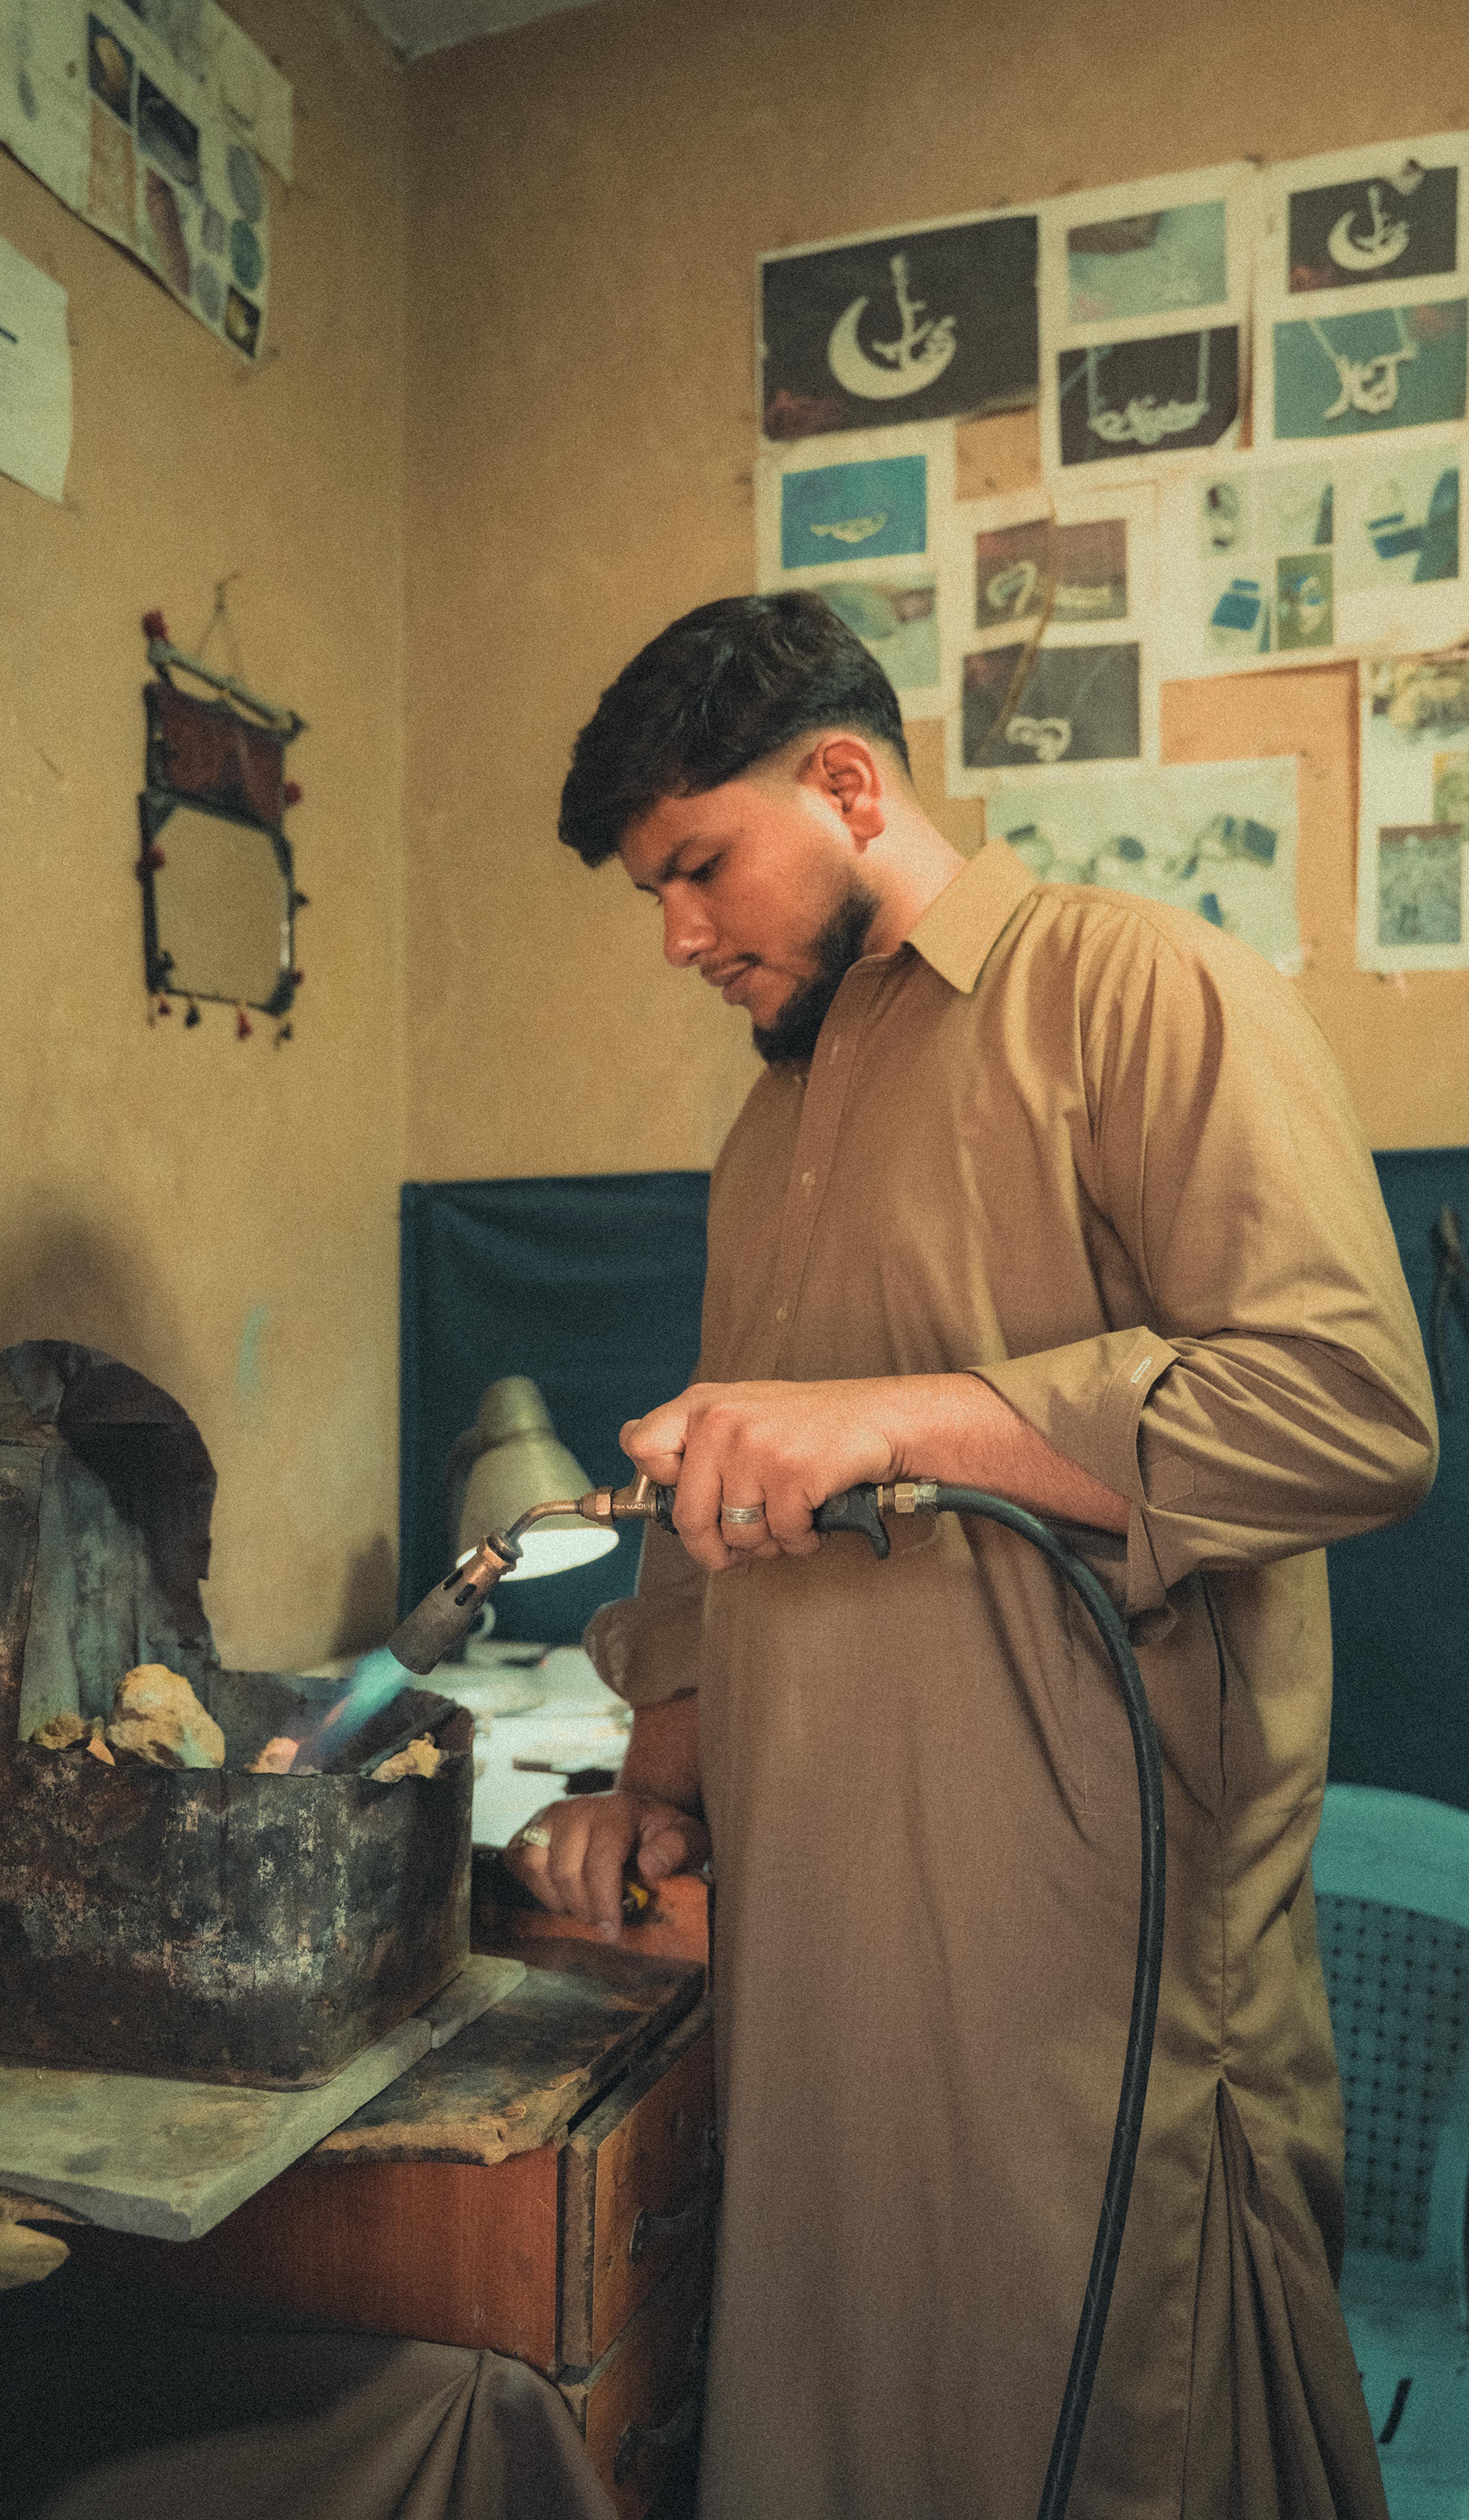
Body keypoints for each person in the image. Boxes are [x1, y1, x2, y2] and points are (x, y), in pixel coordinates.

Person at [505, 592, 1437, 2519]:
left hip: (1083, 2009)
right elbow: (729, 1495)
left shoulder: (1139, 991)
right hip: (821, 1987)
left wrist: (900, 1417)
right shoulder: (770, 1127)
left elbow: (1351, 1406)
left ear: (847, 783)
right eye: (654, 894)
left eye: (699, 866)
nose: (678, 935)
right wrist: (655, 1779)